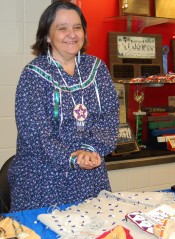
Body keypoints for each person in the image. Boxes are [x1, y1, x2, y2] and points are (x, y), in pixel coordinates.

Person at [8, 1, 119, 212]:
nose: (72, 34)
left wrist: (89, 151)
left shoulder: (97, 69)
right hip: (43, 182)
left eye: (77, 27)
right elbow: (36, 136)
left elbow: (110, 120)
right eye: (62, 28)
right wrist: (73, 157)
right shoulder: (33, 75)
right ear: (47, 36)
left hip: (90, 179)